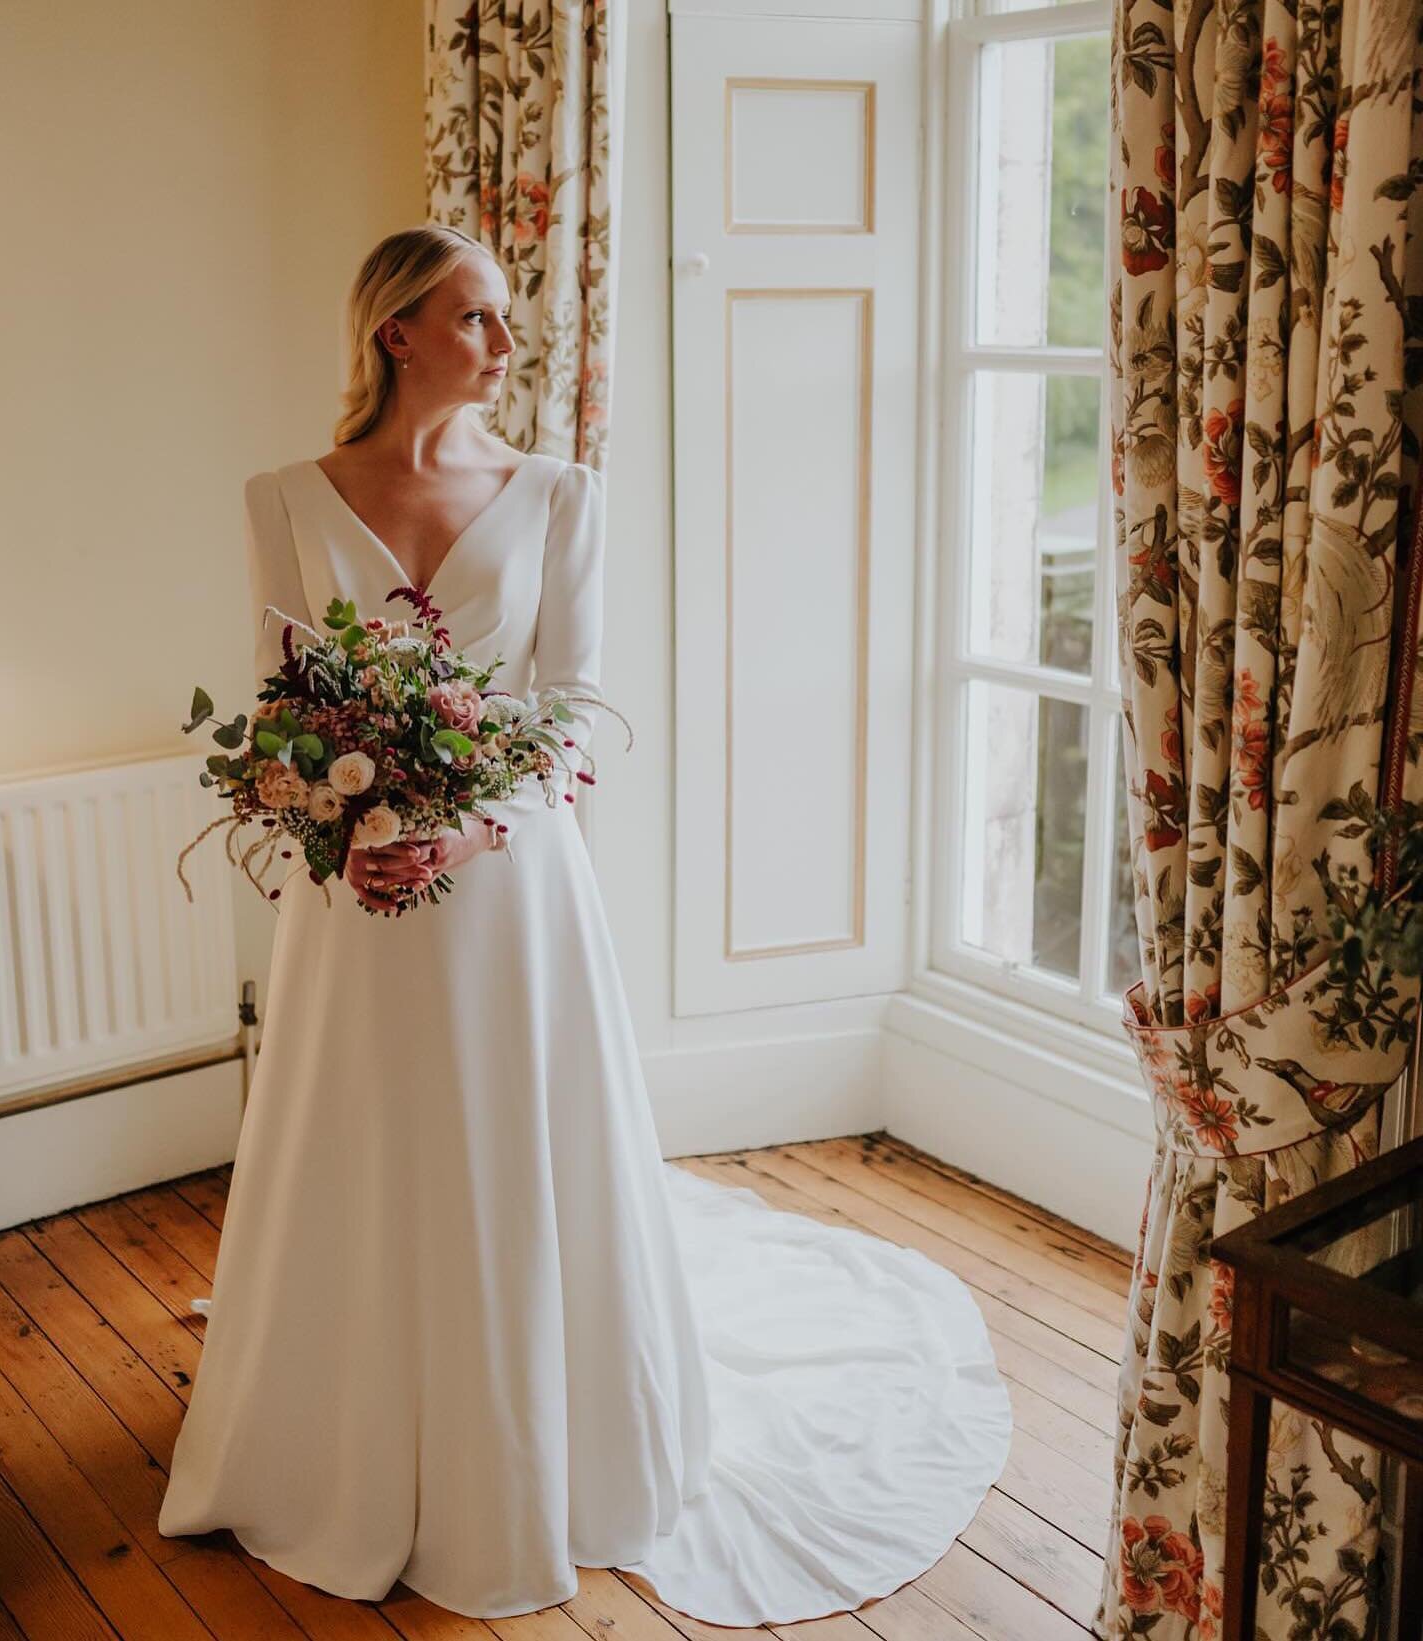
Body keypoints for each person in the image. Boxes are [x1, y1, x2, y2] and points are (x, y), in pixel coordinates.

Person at [156, 224, 1012, 1625]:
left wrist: (476, 825)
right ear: (399, 335)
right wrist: (338, 828)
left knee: (514, 1138)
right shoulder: (285, 498)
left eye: (505, 318)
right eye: (481, 318)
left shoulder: (561, 496)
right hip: (357, 901)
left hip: (513, 893)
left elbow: (570, 716)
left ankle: (541, 1448)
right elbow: (280, 710)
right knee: (361, 1139)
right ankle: (340, 1440)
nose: (508, 343)